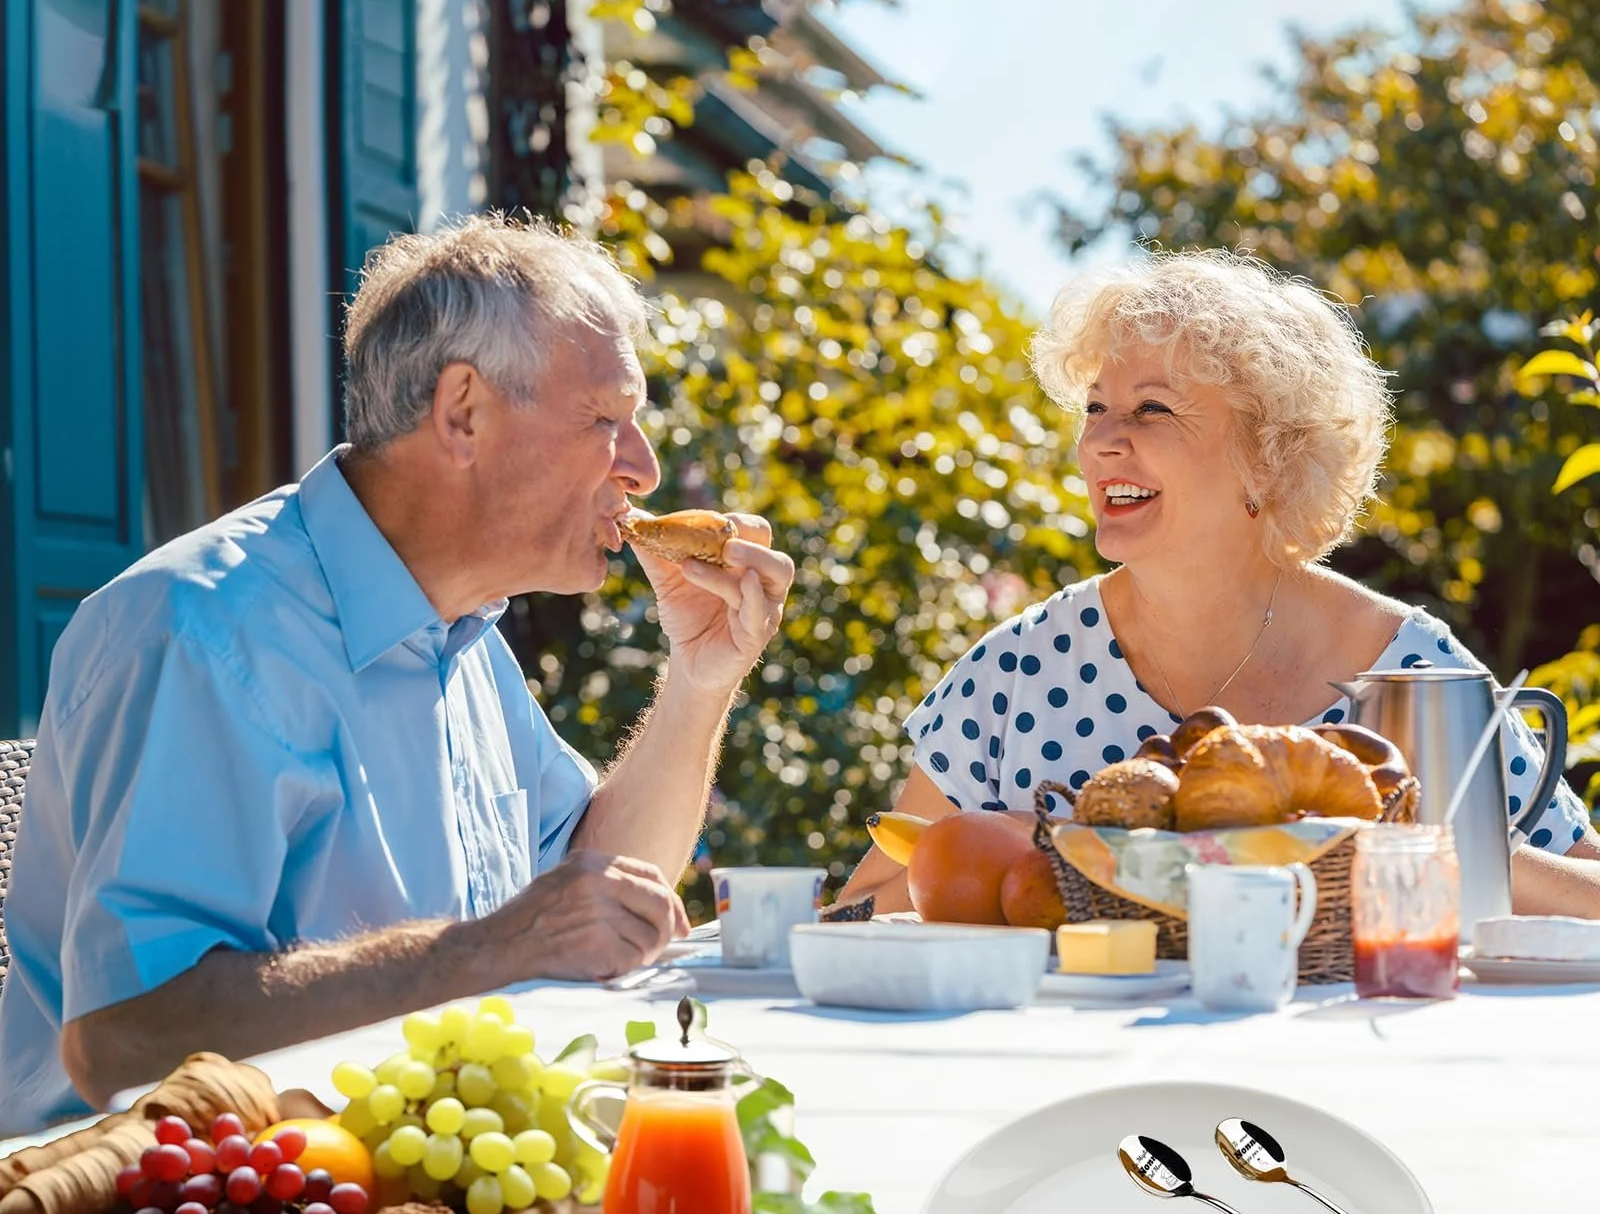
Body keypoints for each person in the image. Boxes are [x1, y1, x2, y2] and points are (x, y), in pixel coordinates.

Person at [0, 215, 795, 1133]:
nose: (644, 470)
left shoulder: (461, 632)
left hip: (399, 1174)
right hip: (148, 1203)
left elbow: (600, 890)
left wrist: (699, 682)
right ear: (463, 412)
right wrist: (475, 953)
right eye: (606, 420)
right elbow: (124, 1042)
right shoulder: (200, 630)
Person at [844, 249, 1599, 914]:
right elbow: (855, 912)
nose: (1101, 440)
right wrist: (1039, 855)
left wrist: (1433, 853)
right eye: (1096, 407)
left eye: (1152, 409)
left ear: (1268, 458)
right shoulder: (1019, 671)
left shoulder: (1411, 672)